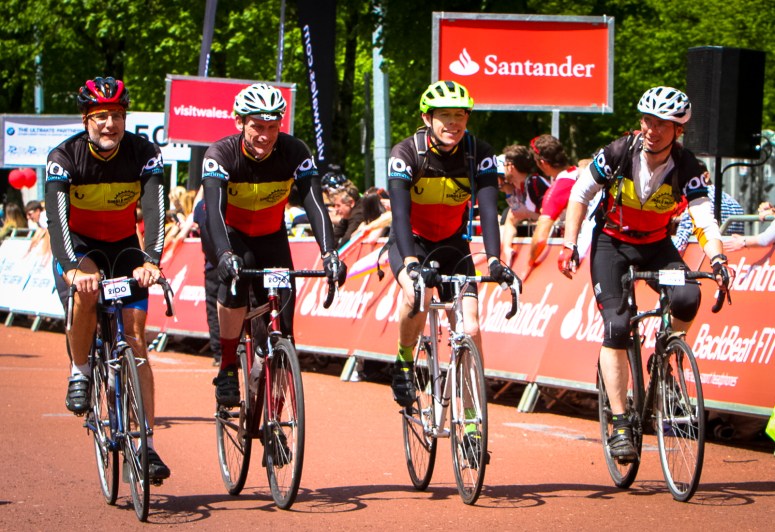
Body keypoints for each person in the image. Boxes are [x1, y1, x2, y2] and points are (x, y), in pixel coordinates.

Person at [557, 86, 735, 460]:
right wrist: (569, 242)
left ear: (678, 131)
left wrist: (718, 259)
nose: (652, 130)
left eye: (662, 124)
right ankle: (621, 421)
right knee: (617, 327)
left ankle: (666, 355)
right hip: (612, 245)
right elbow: (579, 194)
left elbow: (703, 219)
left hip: (657, 246)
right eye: (647, 121)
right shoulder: (618, 153)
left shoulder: (688, 168)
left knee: (688, 296)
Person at [45, 76, 170, 479]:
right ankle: (80, 370)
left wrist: (151, 260)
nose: (109, 125)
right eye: (101, 116)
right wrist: (71, 268)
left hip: (123, 246)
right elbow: (56, 222)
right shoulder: (64, 157)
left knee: (136, 340)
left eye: (116, 115)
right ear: (86, 119)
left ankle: (146, 444)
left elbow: (154, 211)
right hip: (79, 246)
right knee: (87, 291)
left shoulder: (144, 153)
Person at [202, 82, 346, 408]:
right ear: (240, 122)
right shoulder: (221, 154)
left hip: (271, 236)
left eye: (272, 126)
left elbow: (315, 205)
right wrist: (225, 254)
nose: (265, 136)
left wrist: (330, 253)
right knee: (235, 288)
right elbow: (214, 213)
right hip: (232, 233)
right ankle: (226, 367)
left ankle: (278, 417)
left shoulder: (294, 151)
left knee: (285, 332)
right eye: (256, 127)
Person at [386, 80, 515, 438]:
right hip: (410, 242)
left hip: (454, 246)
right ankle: (404, 360)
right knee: (417, 296)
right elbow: (398, 214)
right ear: (427, 118)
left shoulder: (479, 152)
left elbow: (490, 211)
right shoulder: (406, 152)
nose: (453, 123)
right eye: (445, 116)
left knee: (471, 329)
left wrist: (494, 260)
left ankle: (472, 417)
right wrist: (410, 263)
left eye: (460, 115)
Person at [517, 136, 583, 280]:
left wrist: (528, 263)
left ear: (542, 163)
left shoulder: (561, 185)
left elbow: (540, 238)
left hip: (581, 255)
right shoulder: (579, 173)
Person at [673, 160, 744, 253]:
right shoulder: (734, 203)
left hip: (705, 256)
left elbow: (680, 241)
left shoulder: (698, 202)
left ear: (706, 177)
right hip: (733, 257)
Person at [498, 144, 550, 266]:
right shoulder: (516, 188)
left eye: (504, 166)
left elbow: (551, 216)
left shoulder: (534, 183)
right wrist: (507, 248)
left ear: (510, 167)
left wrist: (526, 213)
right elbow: (511, 219)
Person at [330, 182, 365, 248]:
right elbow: (335, 235)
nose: (336, 209)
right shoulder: (347, 215)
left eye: (338, 205)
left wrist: (336, 254)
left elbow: (347, 239)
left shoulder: (359, 214)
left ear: (351, 203)